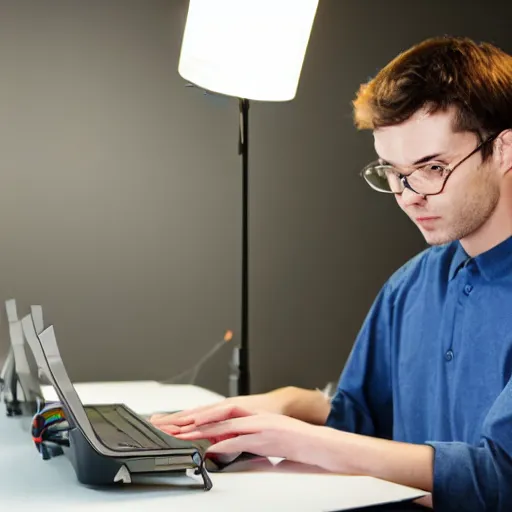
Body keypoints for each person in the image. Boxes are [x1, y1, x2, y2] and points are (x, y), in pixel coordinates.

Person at [151, 36, 512, 511]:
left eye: (432, 167)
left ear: (504, 148)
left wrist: (301, 441)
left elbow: (500, 479)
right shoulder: (410, 286)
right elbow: (362, 422)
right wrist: (285, 405)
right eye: (393, 172)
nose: (409, 196)